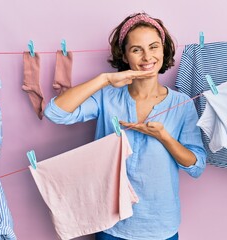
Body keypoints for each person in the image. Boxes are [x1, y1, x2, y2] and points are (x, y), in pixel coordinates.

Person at [44, 12, 207, 240]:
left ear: (164, 50)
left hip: (160, 226)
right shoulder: (107, 97)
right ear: (125, 55)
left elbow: (197, 166)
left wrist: (164, 137)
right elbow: (55, 112)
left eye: (153, 47)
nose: (147, 56)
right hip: (111, 223)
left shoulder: (182, 104)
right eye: (136, 49)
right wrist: (105, 79)